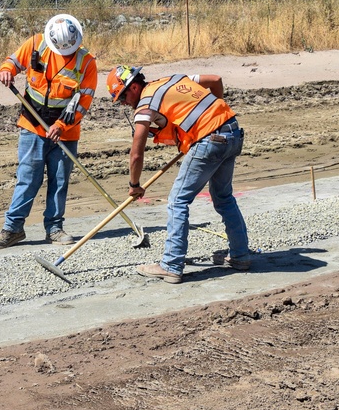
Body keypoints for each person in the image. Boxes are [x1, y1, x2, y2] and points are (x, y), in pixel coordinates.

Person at [106, 65, 252, 283]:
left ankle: (172, 265)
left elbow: (136, 154)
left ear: (134, 87)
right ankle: (240, 255)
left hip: (210, 140)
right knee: (223, 197)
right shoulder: (172, 80)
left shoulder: (145, 106)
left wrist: (134, 184)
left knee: (177, 201)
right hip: (231, 131)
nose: (124, 103)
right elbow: (216, 79)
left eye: (122, 97)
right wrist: (213, 118)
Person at [0, 14, 98, 250]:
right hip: (32, 125)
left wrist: (61, 126)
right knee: (28, 178)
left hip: (65, 132)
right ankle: (13, 229)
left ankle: (54, 228)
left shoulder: (86, 62)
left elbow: (82, 103)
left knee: (59, 181)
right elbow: (12, 61)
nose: (64, 54)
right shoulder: (37, 44)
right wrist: (6, 69)